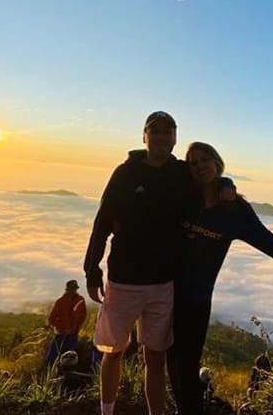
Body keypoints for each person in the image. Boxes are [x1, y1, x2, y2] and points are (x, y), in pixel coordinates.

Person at [84, 111, 231, 415]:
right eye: (156, 131)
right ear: (144, 136)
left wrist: (226, 182)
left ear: (175, 138)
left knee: (156, 358)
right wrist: (92, 267)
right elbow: (102, 221)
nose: (162, 137)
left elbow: (207, 177)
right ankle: (107, 411)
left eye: (169, 131)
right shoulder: (125, 173)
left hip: (163, 283)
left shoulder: (181, 172)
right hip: (123, 280)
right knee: (113, 352)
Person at [168, 142, 273, 415]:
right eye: (193, 162)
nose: (199, 165)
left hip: (196, 298)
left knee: (188, 363)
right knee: (168, 360)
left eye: (206, 159)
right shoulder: (184, 195)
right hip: (161, 290)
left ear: (218, 163)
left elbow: (270, 243)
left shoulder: (235, 210)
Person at [45, 279, 88, 367]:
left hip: (73, 333)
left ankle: (69, 373)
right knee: (52, 356)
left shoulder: (80, 300)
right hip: (61, 334)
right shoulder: (60, 301)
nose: (73, 290)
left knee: (71, 356)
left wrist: (77, 327)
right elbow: (51, 319)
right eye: (72, 288)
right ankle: (48, 370)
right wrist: (59, 327)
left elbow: (83, 315)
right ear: (67, 289)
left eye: (74, 288)